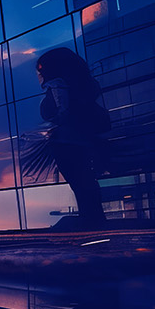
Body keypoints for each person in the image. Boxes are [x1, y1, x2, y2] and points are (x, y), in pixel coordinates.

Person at [31, 47, 109, 228]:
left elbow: (61, 111)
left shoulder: (58, 85)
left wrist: (56, 121)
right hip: (83, 140)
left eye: (42, 69)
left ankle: (91, 220)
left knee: (80, 182)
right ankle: (94, 219)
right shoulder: (85, 85)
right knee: (86, 181)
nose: (41, 74)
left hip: (67, 141)